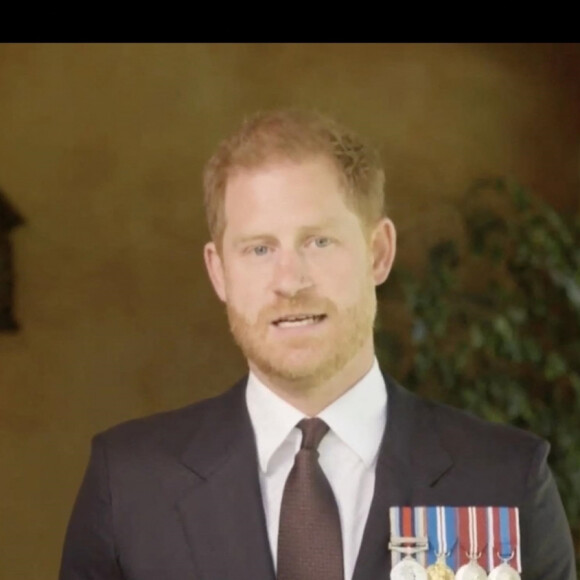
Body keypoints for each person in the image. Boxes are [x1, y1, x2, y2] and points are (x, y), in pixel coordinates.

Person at [59, 109, 576, 580]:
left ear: (378, 252)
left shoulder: (506, 478)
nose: (290, 280)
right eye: (259, 248)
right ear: (218, 272)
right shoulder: (128, 484)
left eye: (318, 241)